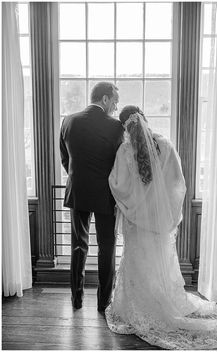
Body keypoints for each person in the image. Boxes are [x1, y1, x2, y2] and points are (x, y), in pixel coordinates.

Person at [105, 105, 217, 350]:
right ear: (145, 118)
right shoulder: (165, 145)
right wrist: (163, 210)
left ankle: (139, 306)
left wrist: (133, 203)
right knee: (159, 262)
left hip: (135, 222)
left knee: (138, 263)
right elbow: (178, 183)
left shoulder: (124, 150)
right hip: (159, 222)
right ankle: (162, 301)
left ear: (124, 127)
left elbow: (117, 185)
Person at [60, 82, 124, 311]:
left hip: (77, 191)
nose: (116, 107)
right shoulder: (116, 127)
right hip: (105, 195)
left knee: (79, 246)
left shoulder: (68, 121)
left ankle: (76, 299)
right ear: (105, 99)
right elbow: (120, 165)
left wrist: (79, 178)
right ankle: (103, 302)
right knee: (107, 248)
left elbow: (65, 159)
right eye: (115, 101)